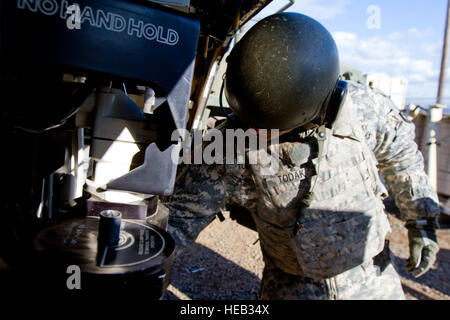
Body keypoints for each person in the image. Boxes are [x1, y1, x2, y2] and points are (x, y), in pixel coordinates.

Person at [160, 12, 440, 300]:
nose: (257, 133)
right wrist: (140, 261)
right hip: (289, 288)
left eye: (271, 128)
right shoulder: (231, 144)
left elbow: (402, 158)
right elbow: (180, 216)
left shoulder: (364, 111)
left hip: (372, 280)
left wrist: (422, 221)